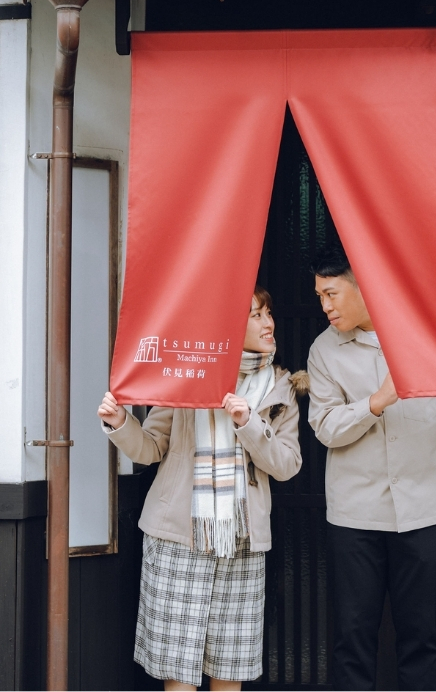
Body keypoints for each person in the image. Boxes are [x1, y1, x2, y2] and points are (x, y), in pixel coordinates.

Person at [96, 287, 304, 691]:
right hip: (179, 536)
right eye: (255, 315)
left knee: (229, 671)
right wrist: (121, 422)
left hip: (243, 541)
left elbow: (287, 466)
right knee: (179, 672)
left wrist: (248, 424)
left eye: (268, 313)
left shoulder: (280, 387)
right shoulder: (187, 374)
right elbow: (152, 447)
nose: (269, 323)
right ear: (227, 325)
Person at [306, 250, 436, 691]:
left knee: (421, 638)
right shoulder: (324, 350)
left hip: (424, 509)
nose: (325, 306)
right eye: (319, 297)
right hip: (355, 515)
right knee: (352, 638)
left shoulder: (429, 333)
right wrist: (376, 401)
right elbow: (325, 428)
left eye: (332, 294)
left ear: (363, 286)